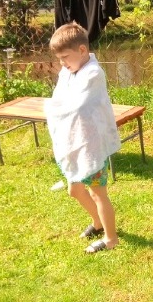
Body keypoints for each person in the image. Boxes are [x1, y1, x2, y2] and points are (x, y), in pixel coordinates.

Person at [45, 22, 121, 254]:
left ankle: (111, 238)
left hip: (91, 145)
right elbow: (59, 100)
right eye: (59, 58)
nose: (62, 63)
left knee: (98, 194)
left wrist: (55, 109)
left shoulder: (93, 74)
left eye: (65, 57)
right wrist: (55, 108)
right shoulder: (68, 72)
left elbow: (77, 106)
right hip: (74, 142)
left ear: (81, 50)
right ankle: (98, 223)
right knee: (75, 190)